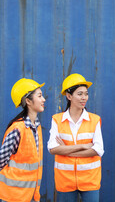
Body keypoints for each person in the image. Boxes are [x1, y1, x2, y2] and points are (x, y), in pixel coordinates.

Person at [48, 73, 104, 202]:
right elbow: (52, 148)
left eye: (86, 94)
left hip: (90, 179)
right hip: (65, 180)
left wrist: (66, 150)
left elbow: (98, 150)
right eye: (80, 94)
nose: (84, 98)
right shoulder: (57, 120)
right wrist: (82, 146)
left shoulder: (94, 120)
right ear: (69, 96)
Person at [0, 78, 46, 202]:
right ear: (28, 101)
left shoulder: (36, 126)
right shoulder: (18, 129)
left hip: (27, 194)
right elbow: (0, 161)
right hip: (13, 195)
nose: (43, 99)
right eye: (39, 96)